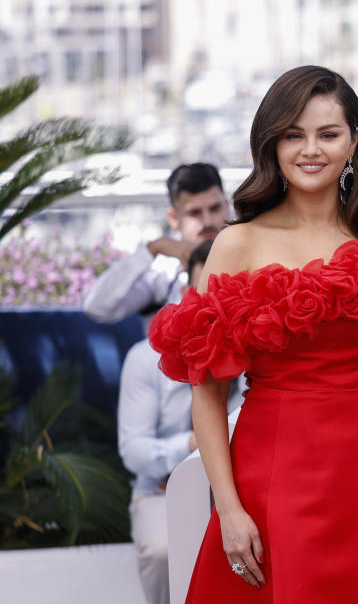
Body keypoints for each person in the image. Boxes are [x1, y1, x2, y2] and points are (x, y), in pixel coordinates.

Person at [148, 66, 358, 602]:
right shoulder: (237, 244)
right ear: (271, 144)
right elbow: (206, 395)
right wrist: (229, 511)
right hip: (274, 472)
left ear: (355, 140)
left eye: (328, 134)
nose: (311, 150)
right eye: (294, 135)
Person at [118, 239, 242, 604]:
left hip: (244, 484)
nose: (217, 302)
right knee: (162, 550)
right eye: (207, 289)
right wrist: (196, 441)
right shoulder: (144, 358)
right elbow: (135, 453)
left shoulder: (261, 343)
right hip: (160, 488)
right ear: (188, 292)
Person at [83, 163, 228, 323]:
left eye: (215, 209)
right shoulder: (163, 274)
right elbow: (96, 308)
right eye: (194, 213)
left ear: (227, 207)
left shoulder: (250, 258)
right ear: (173, 218)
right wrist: (151, 250)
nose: (207, 221)